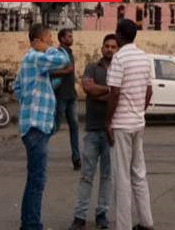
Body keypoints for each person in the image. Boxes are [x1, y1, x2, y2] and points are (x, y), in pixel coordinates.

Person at [14, 23, 71, 230]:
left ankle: (27, 223)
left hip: (34, 125)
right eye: (48, 41)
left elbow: (16, 87)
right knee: (37, 180)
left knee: (33, 179)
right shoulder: (35, 57)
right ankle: (32, 225)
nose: (51, 44)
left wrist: (29, 101)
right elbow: (63, 59)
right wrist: (51, 49)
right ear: (37, 41)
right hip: (36, 127)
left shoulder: (29, 61)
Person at [106, 19, 155, 230]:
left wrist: (108, 121)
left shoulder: (119, 59)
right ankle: (146, 222)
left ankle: (123, 226)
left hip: (122, 125)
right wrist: (139, 111)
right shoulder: (145, 58)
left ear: (119, 35)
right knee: (139, 173)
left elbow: (114, 93)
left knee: (122, 178)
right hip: (138, 123)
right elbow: (149, 90)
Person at [68, 33, 119, 230]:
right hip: (92, 129)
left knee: (107, 176)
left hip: (111, 131)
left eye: (113, 47)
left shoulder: (119, 68)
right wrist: (110, 91)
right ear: (102, 48)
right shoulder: (92, 67)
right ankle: (79, 216)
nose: (109, 49)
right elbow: (87, 87)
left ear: (117, 49)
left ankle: (102, 214)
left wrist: (101, 92)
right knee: (86, 175)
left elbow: (119, 96)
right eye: (107, 46)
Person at [51, 28, 81, 170]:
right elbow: (49, 72)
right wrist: (65, 71)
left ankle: (76, 158)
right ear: (62, 39)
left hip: (71, 95)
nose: (71, 38)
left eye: (71, 36)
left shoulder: (70, 53)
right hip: (60, 95)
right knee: (55, 126)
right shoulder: (56, 53)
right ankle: (38, 149)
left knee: (74, 126)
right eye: (69, 36)